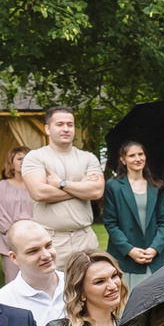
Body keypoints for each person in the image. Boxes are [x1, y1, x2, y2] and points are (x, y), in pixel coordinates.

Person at [20, 107, 105, 267]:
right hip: (51, 240)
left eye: (70, 124)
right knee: (52, 288)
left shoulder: (88, 158)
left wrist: (61, 183)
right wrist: (81, 188)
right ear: (47, 128)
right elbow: (39, 192)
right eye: (60, 124)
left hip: (84, 237)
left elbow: (96, 191)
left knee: (88, 288)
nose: (66, 129)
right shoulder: (35, 157)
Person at [99, 139, 164, 282]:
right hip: (125, 257)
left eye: (140, 154)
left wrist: (155, 248)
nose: (137, 159)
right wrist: (129, 250)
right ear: (123, 160)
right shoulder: (114, 186)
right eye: (132, 156)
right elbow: (111, 223)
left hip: (152, 257)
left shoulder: (157, 186)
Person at [0, 220, 65, 326]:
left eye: (48, 246)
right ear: (14, 258)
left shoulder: (78, 284)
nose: (46, 255)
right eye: (33, 251)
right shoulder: (1, 304)